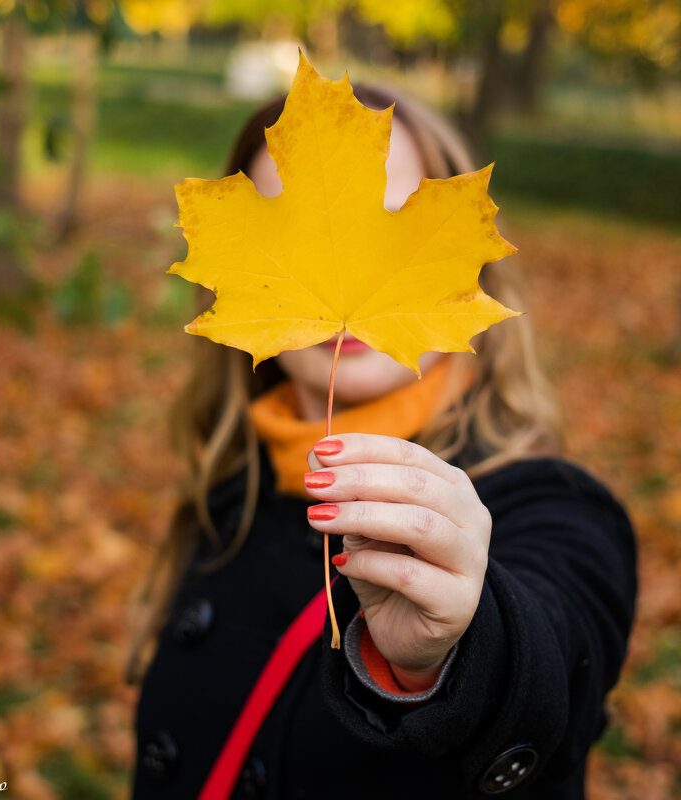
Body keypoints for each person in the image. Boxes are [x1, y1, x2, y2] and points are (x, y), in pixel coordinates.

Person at [127, 84, 637, 799]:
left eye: (399, 223)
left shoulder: (553, 507)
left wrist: (450, 647)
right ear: (230, 281)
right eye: (298, 240)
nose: (350, 276)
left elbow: (556, 663)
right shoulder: (234, 489)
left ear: (469, 267)